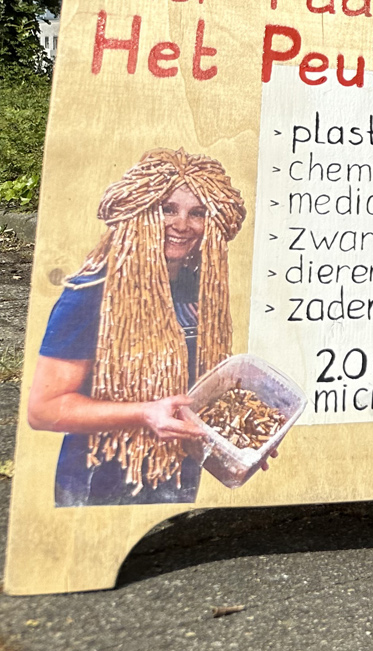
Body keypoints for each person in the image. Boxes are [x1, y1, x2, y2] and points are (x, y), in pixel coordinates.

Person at [27, 148, 247, 505]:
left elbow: (195, 392)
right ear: (139, 212)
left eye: (198, 213)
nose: (182, 224)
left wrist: (244, 438)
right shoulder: (92, 294)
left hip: (176, 476)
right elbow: (43, 409)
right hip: (101, 483)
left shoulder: (199, 288)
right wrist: (143, 413)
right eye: (168, 209)